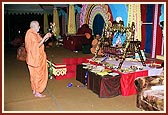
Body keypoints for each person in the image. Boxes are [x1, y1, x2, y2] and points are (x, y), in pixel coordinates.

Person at [25, 20, 52, 97]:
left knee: (34, 75)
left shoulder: (34, 34)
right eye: (38, 26)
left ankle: (34, 90)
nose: (39, 27)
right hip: (35, 59)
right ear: (33, 26)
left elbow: (41, 42)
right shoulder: (30, 34)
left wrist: (47, 37)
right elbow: (36, 46)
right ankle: (37, 91)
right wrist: (45, 38)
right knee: (37, 75)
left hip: (36, 58)